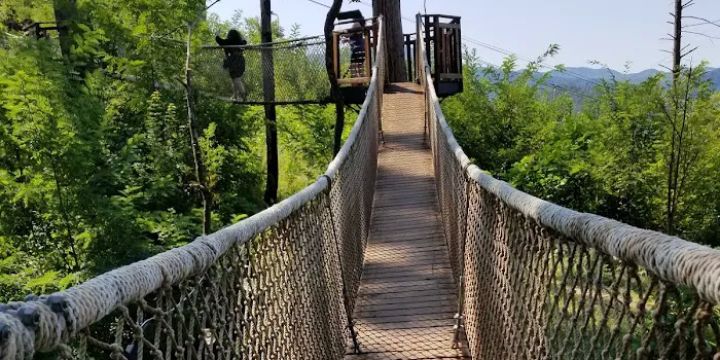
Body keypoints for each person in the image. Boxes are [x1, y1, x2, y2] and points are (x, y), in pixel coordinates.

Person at [215, 29, 248, 101]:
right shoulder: (240, 42)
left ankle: (243, 95)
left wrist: (217, 34)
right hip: (241, 61)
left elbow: (219, 40)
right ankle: (235, 96)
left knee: (236, 79)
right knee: (235, 79)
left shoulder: (228, 41)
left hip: (233, 62)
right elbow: (245, 41)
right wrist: (243, 37)